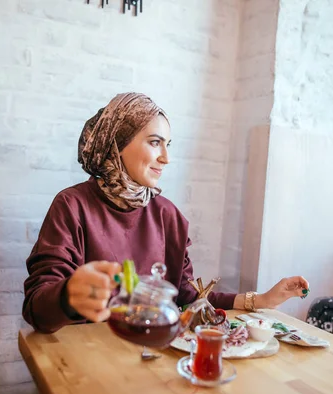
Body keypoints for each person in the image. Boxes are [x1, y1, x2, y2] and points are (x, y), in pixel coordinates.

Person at [22, 92, 309, 333]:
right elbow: (36, 309)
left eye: (168, 145)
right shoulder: (72, 206)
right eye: (155, 142)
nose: (166, 158)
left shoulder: (166, 215)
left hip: (150, 360)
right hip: (88, 365)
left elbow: (186, 297)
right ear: (117, 143)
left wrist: (260, 300)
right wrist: (68, 297)